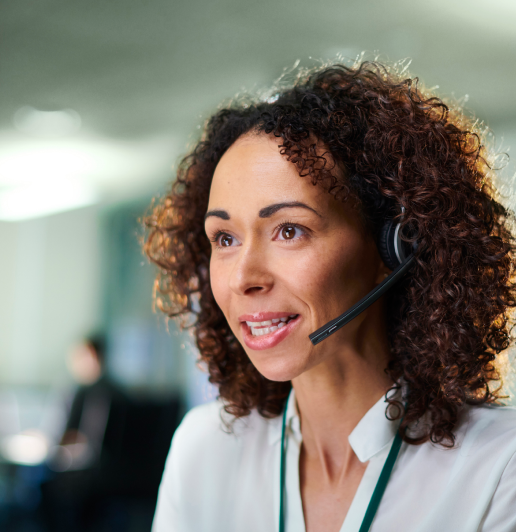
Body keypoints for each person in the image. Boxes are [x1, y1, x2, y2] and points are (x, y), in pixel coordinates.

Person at [143, 61, 516, 531]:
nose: (243, 278)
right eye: (225, 239)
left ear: (395, 245)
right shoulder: (205, 449)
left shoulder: (500, 468)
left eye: (289, 230)